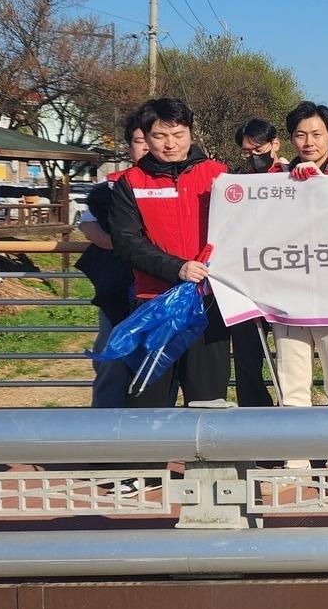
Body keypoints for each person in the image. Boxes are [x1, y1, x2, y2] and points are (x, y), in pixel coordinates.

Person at [108, 98, 231, 408]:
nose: (170, 144)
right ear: (146, 138)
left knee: (209, 403)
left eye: (178, 134)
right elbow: (127, 242)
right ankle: (146, 459)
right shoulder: (130, 183)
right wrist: (176, 268)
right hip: (153, 306)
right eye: (160, 136)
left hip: (208, 304)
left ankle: (210, 459)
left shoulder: (219, 175)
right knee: (147, 402)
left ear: (191, 132)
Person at [272, 103, 328, 470]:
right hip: (288, 297)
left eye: (317, 134)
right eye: (300, 135)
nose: (308, 142)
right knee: (293, 383)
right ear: (290, 138)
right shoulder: (275, 182)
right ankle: (297, 455)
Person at [77, 109, 148, 408]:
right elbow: (88, 224)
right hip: (121, 287)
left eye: (152, 138)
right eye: (139, 140)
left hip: (167, 285)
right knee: (112, 355)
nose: (146, 146)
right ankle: (104, 436)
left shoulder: (181, 179)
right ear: (129, 146)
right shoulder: (111, 183)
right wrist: (123, 247)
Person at [225, 118, 283, 407]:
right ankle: (255, 412)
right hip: (248, 285)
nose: (253, 157)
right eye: (247, 152)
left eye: (258, 149)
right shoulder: (237, 183)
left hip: (287, 284)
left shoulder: (294, 176)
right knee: (247, 359)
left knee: (289, 360)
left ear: (275, 144)